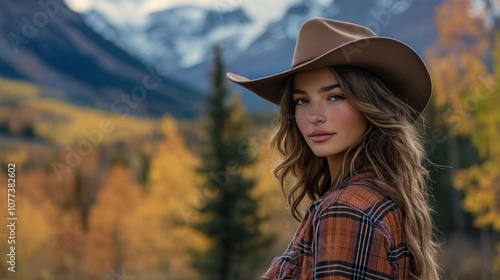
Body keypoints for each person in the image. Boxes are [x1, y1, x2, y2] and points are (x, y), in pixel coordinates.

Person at [226, 18, 440, 279]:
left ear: (370, 105)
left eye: (335, 96)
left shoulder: (345, 210)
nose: (314, 116)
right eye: (302, 100)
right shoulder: (385, 196)